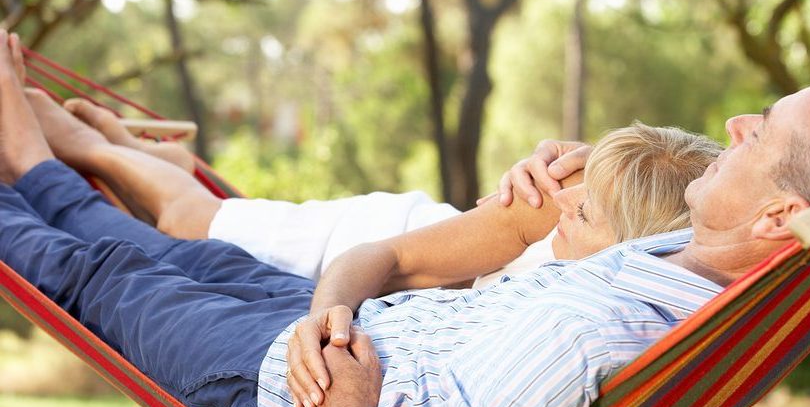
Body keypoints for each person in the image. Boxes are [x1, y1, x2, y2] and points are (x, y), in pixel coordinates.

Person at [1, 28, 810, 407]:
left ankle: (25, 152)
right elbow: (631, 194)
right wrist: (534, 198)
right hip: (314, 319)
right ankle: (40, 156)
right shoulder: (672, 266)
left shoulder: (577, 333)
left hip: (286, 382)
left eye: (762, 131)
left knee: (92, 270)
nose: (737, 121)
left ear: (781, 217)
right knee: (130, 250)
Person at [57, 97, 721, 285]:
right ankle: (90, 146)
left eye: (590, 216)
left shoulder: (644, 275)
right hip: (374, 238)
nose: (567, 215)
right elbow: (405, 260)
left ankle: (134, 151)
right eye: (575, 200)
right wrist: (553, 166)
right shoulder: (558, 205)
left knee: (162, 233)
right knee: (184, 219)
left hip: (396, 249)